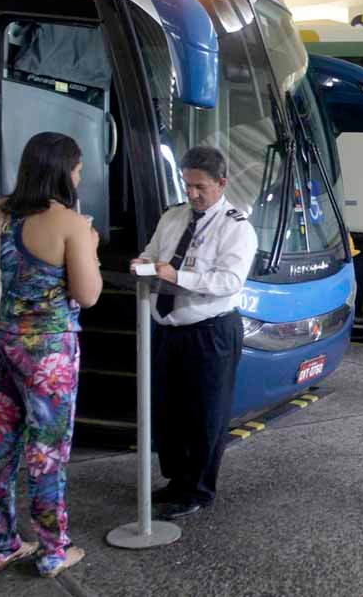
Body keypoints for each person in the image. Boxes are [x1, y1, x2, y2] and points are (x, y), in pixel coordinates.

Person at [0, 132, 102, 576]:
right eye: (79, 167)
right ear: (64, 170)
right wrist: (93, 251)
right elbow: (87, 295)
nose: (80, 175)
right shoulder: (71, 224)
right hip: (47, 353)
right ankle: (51, 550)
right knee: (47, 451)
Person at [131, 146, 257, 520]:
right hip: (168, 328)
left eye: (200, 186)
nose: (192, 194)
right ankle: (176, 479)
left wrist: (177, 276)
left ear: (221, 183)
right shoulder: (173, 217)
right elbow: (152, 251)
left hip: (210, 331)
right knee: (169, 412)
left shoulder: (236, 227)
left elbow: (229, 281)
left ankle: (198, 490)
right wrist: (142, 262)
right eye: (187, 185)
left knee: (205, 414)